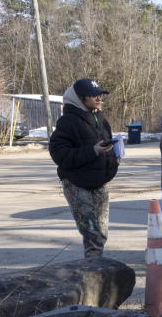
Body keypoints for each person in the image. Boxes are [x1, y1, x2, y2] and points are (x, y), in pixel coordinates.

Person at [48, 78, 119, 258]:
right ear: (80, 98)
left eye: (100, 95)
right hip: (77, 183)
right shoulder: (68, 121)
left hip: (99, 182)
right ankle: (94, 273)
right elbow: (59, 154)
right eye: (93, 95)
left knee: (101, 232)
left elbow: (104, 144)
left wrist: (114, 158)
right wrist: (93, 150)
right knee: (92, 233)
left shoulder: (100, 118)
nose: (99, 98)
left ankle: (97, 268)